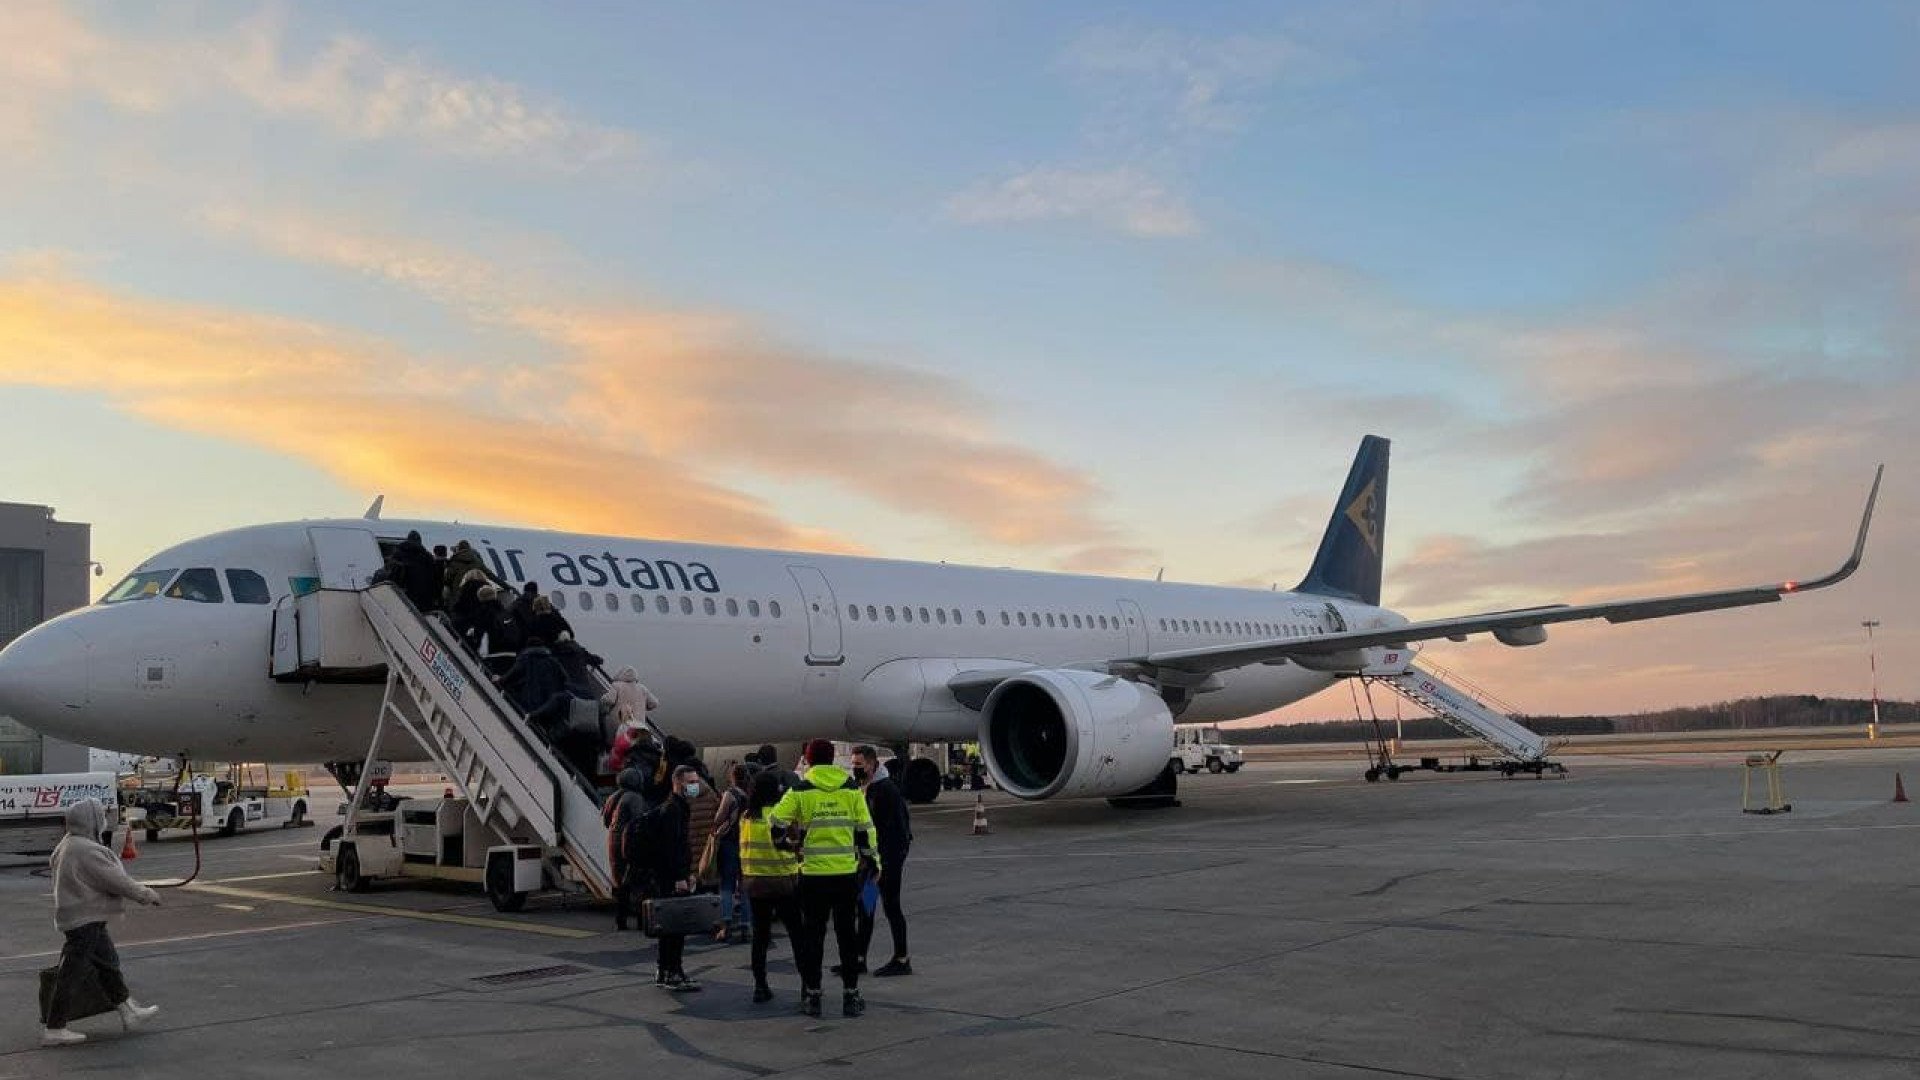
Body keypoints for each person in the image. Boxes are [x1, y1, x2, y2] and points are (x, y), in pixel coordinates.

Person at [42, 800, 162, 1046]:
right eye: (101, 815)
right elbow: (117, 880)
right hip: (85, 919)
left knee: (108, 965)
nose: (105, 820)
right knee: (71, 974)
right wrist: (146, 895)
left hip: (83, 918)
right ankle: (55, 1028)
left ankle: (129, 1011)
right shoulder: (87, 850)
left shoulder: (68, 843)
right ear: (91, 820)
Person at [771, 739, 875, 1018]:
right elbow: (865, 828)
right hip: (844, 874)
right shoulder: (850, 788)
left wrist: (784, 843)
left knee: (813, 937)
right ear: (831, 759)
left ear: (808, 759)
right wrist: (872, 860)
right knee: (847, 937)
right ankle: (851, 996)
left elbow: (777, 819)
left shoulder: (802, 788)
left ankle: (814, 995)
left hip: (813, 875)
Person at [739, 769, 803, 1004]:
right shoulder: (779, 814)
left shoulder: (746, 816)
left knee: (760, 937)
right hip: (784, 881)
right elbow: (794, 845)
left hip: (755, 884)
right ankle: (808, 985)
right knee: (797, 934)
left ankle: (760, 985)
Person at [851, 745, 913, 977]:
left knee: (891, 906)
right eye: (853, 765)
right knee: (866, 909)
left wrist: (884, 864)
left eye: (859, 765)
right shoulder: (863, 788)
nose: (855, 769)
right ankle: (859, 958)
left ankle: (901, 957)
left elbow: (897, 830)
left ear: (872, 764)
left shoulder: (886, 790)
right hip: (870, 863)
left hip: (886, 862)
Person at [643, 766, 702, 991]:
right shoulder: (672, 810)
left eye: (696, 781)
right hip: (669, 879)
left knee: (674, 927)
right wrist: (679, 877)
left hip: (675, 876)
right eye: (690, 782)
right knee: (673, 927)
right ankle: (671, 971)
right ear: (677, 783)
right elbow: (671, 847)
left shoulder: (678, 807)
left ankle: (670, 970)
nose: (695, 786)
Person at [602, 766, 651, 932]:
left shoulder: (613, 797)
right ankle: (641, 920)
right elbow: (638, 822)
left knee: (619, 882)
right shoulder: (635, 798)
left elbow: (606, 820)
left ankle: (620, 920)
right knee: (637, 881)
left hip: (612, 841)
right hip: (628, 842)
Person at [711, 763, 751, 943]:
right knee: (744, 887)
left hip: (730, 843)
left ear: (731, 777)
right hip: (747, 842)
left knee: (727, 885)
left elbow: (718, 818)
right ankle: (746, 925)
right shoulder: (751, 794)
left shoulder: (730, 794)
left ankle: (726, 925)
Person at [442, 540, 485, 604]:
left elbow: (447, 579)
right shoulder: (478, 562)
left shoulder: (453, 563)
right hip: (476, 596)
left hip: (458, 596)